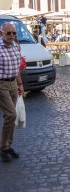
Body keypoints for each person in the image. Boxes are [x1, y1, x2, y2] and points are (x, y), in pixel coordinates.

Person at [0, 23, 24, 163]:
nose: (12, 36)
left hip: (13, 84)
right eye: (8, 33)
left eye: (14, 33)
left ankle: (8, 146)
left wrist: (20, 84)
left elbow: (16, 68)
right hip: (1, 84)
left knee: (10, 117)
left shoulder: (16, 46)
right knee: (11, 114)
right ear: (1, 33)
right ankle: (3, 148)